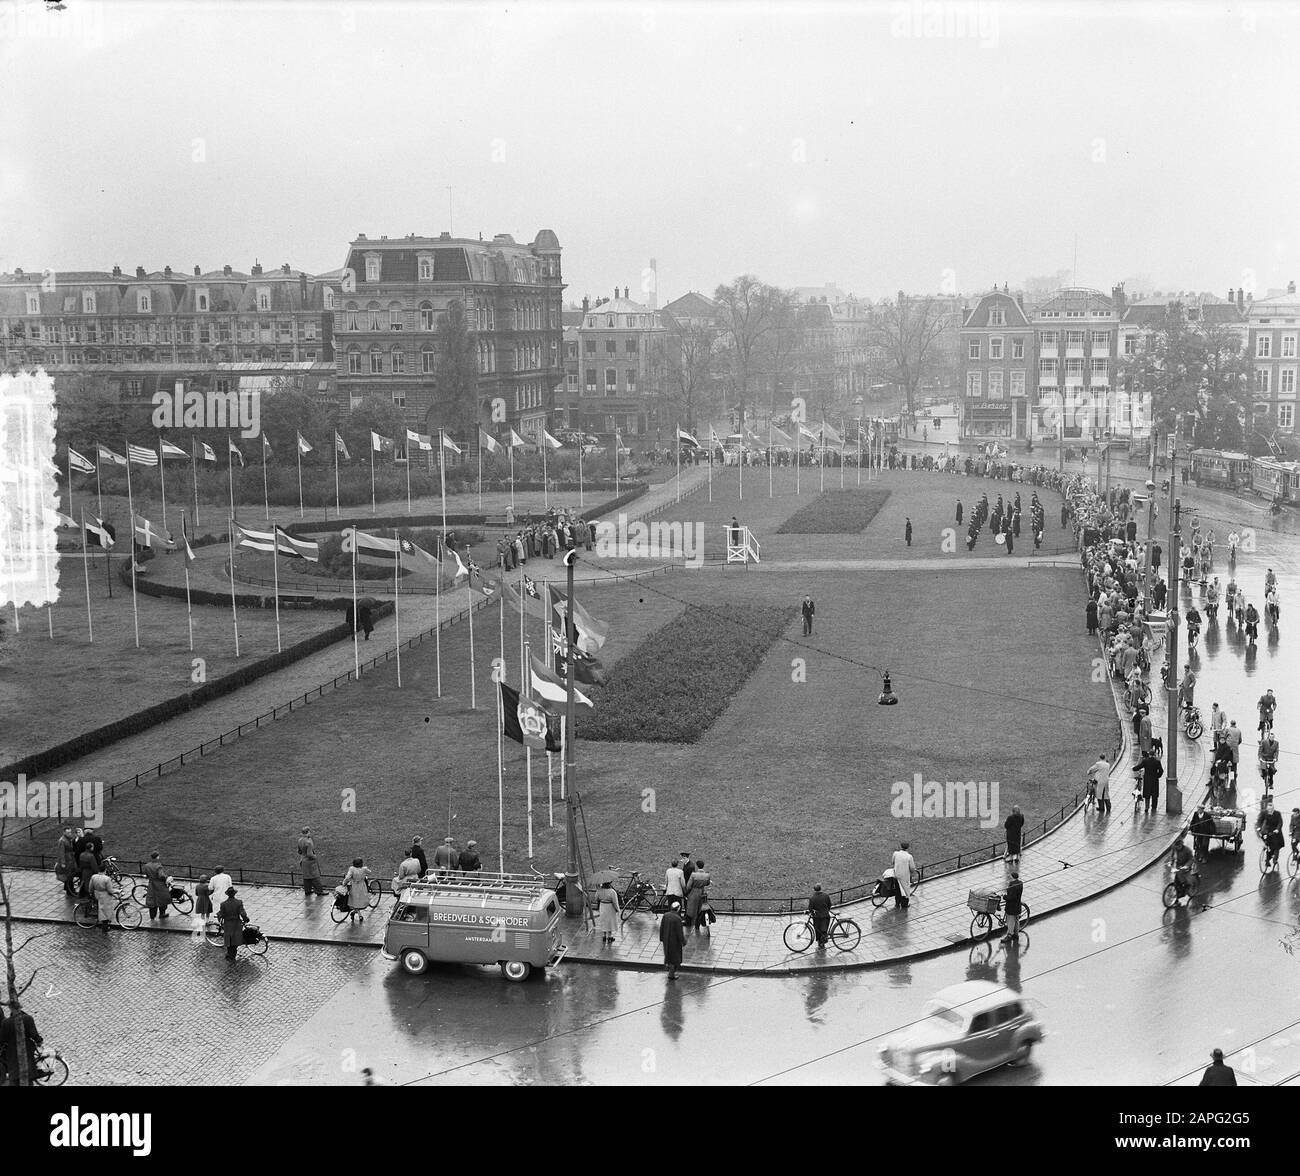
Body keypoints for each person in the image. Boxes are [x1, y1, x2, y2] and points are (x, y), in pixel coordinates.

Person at [0, 1002, 42, 1087]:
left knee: (15, 1076)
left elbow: (2, 1039)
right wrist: (39, 1041)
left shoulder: (5, 1023)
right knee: (28, 1076)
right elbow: (34, 1034)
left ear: (10, 1008)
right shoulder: (28, 1019)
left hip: (11, 1053)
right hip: (27, 1050)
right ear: (20, 1007)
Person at [219, 886, 249, 962]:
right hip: (236, 923)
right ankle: (232, 954)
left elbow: (221, 914)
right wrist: (246, 919)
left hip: (228, 924)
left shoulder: (223, 904)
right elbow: (242, 912)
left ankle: (230, 955)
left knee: (229, 939)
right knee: (235, 938)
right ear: (234, 894)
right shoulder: (239, 902)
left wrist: (219, 916)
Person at [659, 900, 686, 980]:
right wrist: (683, 941)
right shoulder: (678, 918)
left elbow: (662, 927)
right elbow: (679, 932)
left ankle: (670, 971)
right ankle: (671, 974)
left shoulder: (665, 915)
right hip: (674, 942)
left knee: (668, 955)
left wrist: (661, 938)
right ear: (678, 909)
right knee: (675, 958)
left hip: (666, 940)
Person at [685, 859, 712, 934]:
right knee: (700, 910)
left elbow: (688, 886)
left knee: (690, 909)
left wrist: (686, 892)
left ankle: (689, 924)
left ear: (697, 866)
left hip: (693, 893)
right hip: (701, 893)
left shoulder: (693, 875)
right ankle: (697, 925)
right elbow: (707, 883)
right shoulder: (707, 875)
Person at [1135, 749, 1164, 815]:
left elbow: (1139, 766)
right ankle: (1154, 807)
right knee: (1154, 795)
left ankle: (1146, 807)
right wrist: (1157, 776)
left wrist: (1134, 768)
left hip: (1147, 780)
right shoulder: (1157, 762)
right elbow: (1161, 771)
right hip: (1154, 780)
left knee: (1147, 794)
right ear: (1154, 754)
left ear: (1149, 754)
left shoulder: (1146, 761)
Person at [143, 851, 171, 921]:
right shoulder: (158, 866)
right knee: (163, 899)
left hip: (151, 885)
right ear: (157, 857)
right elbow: (161, 875)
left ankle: (152, 916)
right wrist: (166, 877)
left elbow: (146, 874)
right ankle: (162, 914)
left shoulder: (147, 865)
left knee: (152, 900)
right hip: (160, 885)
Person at [297, 827, 324, 896]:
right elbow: (309, 854)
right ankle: (319, 891)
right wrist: (315, 857)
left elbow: (299, 851)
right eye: (310, 832)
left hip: (303, 861)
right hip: (310, 862)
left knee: (306, 877)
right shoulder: (308, 842)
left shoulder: (300, 840)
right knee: (315, 877)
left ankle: (307, 891)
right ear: (308, 832)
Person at [1259, 801, 1285, 872]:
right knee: (1268, 845)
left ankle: (1275, 859)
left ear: (1273, 809)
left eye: (1270, 810)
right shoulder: (1265, 813)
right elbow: (1260, 820)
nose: (1269, 811)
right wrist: (1259, 827)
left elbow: (1280, 822)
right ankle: (1267, 860)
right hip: (1269, 831)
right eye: (1268, 810)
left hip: (1276, 832)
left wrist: (1277, 829)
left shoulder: (1277, 813)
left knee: (1276, 846)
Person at [891, 842, 917, 911]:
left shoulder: (895, 854)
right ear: (908, 847)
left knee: (897, 889)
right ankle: (904, 904)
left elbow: (892, 862)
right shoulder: (909, 857)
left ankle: (897, 903)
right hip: (904, 876)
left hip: (896, 875)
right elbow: (912, 868)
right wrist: (912, 872)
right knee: (905, 890)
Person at [89, 868, 116, 933]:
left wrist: (90, 893)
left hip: (96, 894)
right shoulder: (107, 879)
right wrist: (117, 891)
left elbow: (90, 887)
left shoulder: (94, 877)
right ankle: (105, 928)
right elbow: (110, 890)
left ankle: (102, 924)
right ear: (105, 870)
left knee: (101, 909)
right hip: (104, 896)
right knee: (106, 911)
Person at [595, 880, 620, 945]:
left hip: (602, 906)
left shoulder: (599, 890)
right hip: (610, 907)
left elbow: (596, 898)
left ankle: (604, 935)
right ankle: (609, 937)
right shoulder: (612, 892)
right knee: (610, 921)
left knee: (604, 921)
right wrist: (617, 909)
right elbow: (615, 902)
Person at [807, 883, 832, 948]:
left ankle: (820, 942)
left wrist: (812, 913)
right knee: (824, 929)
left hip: (817, 917)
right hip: (826, 916)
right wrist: (826, 911)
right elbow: (829, 905)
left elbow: (810, 908)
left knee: (818, 930)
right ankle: (823, 942)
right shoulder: (826, 895)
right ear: (821, 888)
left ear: (814, 890)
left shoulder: (812, 898)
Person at [1002, 871, 1023, 944]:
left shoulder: (1012, 885)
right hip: (1017, 905)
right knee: (1016, 920)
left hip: (1011, 907)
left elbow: (1011, 897)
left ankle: (1009, 935)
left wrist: (1004, 897)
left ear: (1012, 877)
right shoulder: (1020, 883)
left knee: (1011, 921)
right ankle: (1016, 934)